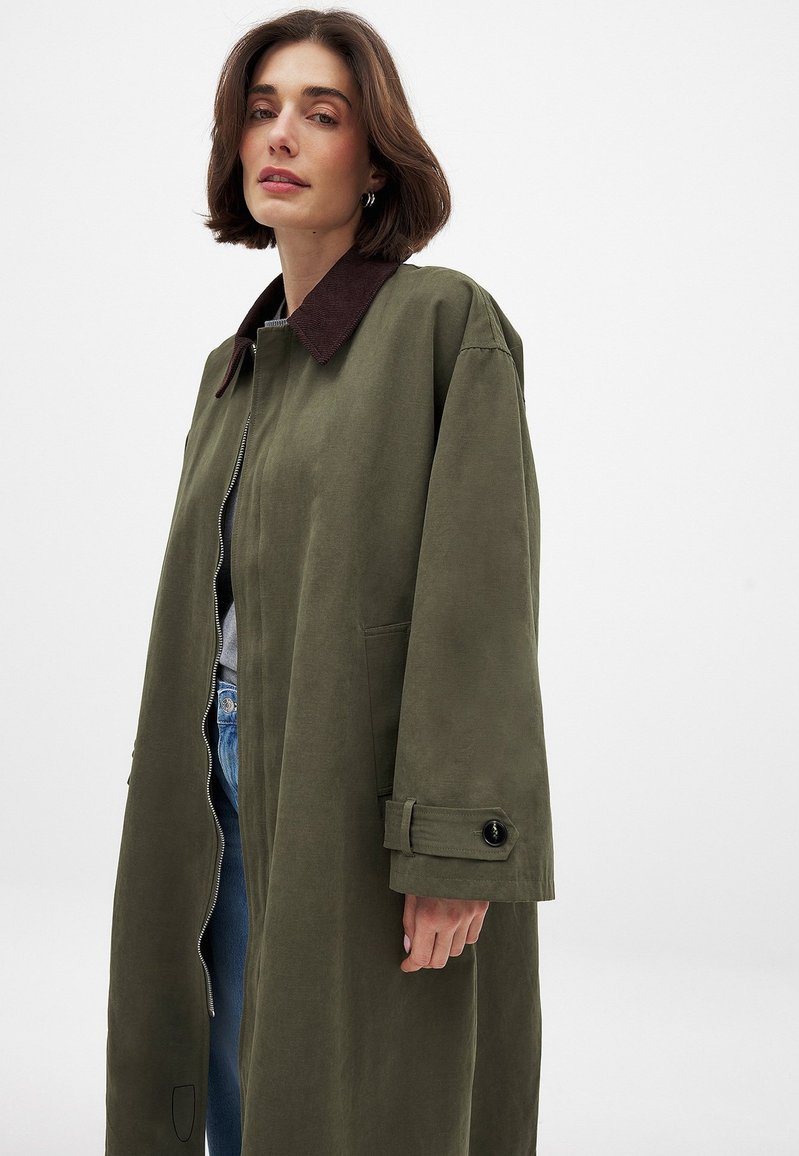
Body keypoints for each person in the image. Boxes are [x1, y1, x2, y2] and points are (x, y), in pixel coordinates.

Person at [105, 9, 556, 1156]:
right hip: (211, 781)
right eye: (261, 111)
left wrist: (452, 846)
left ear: (375, 158)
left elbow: (480, 606)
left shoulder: (440, 325)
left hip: (348, 781)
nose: (281, 135)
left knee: (356, 1090)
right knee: (227, 1070)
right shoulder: (234, 369)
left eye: (321, 113)